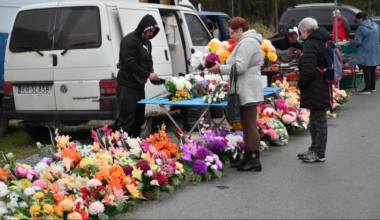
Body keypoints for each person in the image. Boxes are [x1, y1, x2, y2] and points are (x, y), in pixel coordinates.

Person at [209, 17, 264, 172]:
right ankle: (248, 156)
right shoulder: (246, 41)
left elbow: (240, 67)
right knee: (246, 125)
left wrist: (220, 69)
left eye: (233, 32)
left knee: (250, 125)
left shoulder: (247, 42)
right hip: (245, 87)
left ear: (240, 30)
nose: (231, 36)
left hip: (248, 88)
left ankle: (254, 160)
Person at [116, 15, 160, 138]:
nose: (151, 34)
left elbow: (149, 61)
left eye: (153, 32)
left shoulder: (147, 43)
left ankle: (136, 147)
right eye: (150, 31)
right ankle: (122, 149)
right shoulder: (129, 40)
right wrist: (147, 74)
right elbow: (130, 63)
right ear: (144, 28)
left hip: (139, 86)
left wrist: (152, 74)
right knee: (127, 120)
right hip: (127, 85)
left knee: (139, 119)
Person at [297, 17, 332, 163]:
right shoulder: (321, 39)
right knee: (315, 120)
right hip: (321, 84)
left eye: (300, 32)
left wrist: (301, 83)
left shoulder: (311, 44)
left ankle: (319, 153)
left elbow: (309, 70)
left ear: (306, 31)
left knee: (319, 120)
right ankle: (314, 148)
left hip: (315, 85)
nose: (300, 35)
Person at [350, 12, 380, 95]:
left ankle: (367, 88)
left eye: (357, 20)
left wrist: (351, 43)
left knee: (366, 68)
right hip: (375, 49)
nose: (356, 21)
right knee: (373, 68)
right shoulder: (375, 25)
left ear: (360, 19)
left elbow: (358, 42)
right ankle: (372, 87)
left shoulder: (361, 28)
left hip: (365, 51)